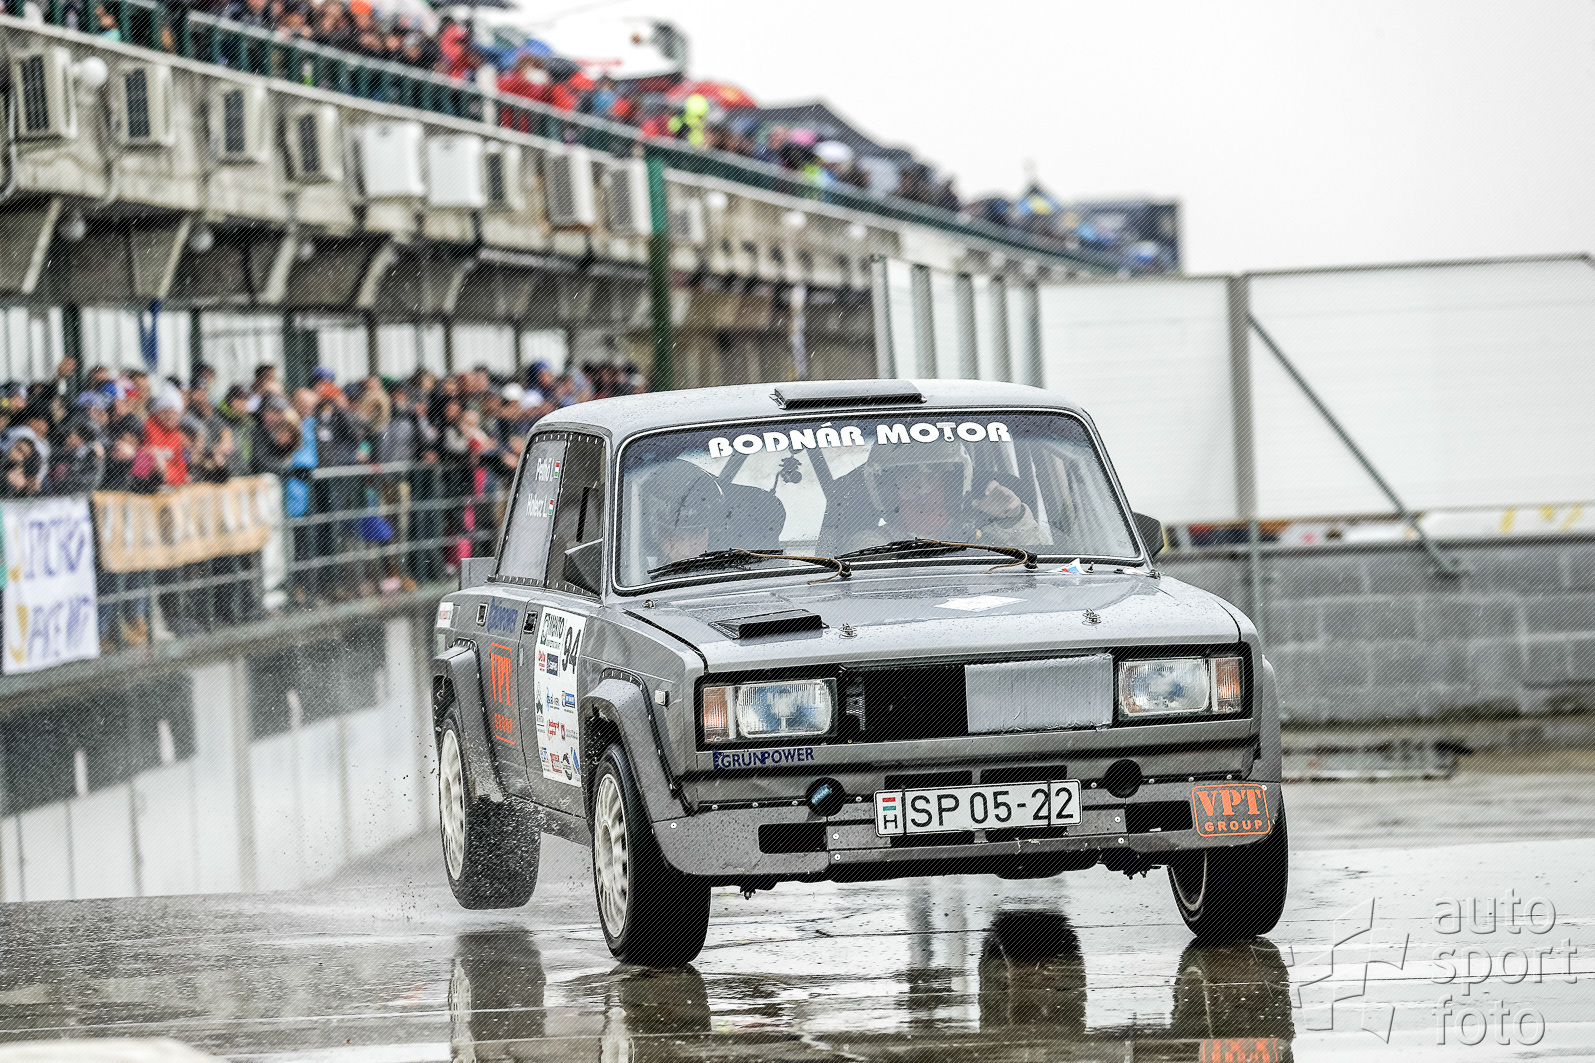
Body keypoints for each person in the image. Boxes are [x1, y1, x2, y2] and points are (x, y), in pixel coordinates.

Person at [838, 439, 1038, 551]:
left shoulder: (985, 537)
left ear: (952, 484)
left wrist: (1013, 519)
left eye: (932, 476)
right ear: (889, 490)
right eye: (908, 478)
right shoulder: (872, 545)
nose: (922, 490)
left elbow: (1038, 570)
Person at [638, 460, 728, 566]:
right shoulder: (634, 573)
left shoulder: (734, 570)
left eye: (696, 535)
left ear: (711, 536)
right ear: (655, 537)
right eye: (673, 536)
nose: (685, 551)